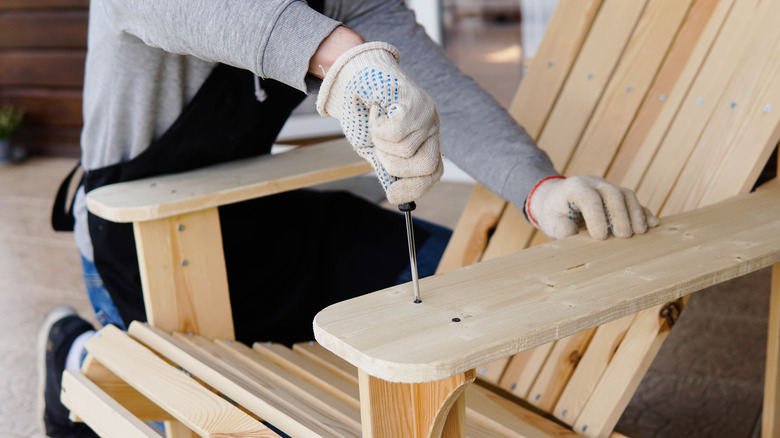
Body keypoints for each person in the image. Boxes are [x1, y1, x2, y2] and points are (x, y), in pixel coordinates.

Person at [39, 0, 658, 436]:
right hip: (138, 239)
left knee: (474, 274)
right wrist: (344, 55)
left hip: (258, 220)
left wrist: (539, 187)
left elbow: (437, 87)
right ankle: (75, 348)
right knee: (234, 419)